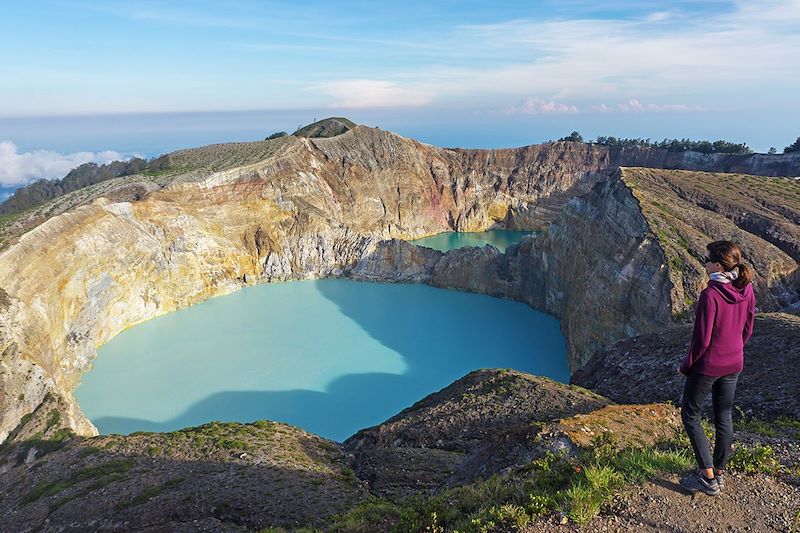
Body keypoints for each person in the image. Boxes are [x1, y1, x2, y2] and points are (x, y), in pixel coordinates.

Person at [678, 240, 756, 496]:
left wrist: (687, 365)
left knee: (690, 414)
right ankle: (718, 472)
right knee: (724, 415)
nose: (705, 262)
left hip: (709, 365)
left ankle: (707, 477)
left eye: (707, 259)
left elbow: (701, 340)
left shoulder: (710, 295)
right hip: (734, 362)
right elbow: (748, 329)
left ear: (719, 265)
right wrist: (733, 349)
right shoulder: (747, 290)